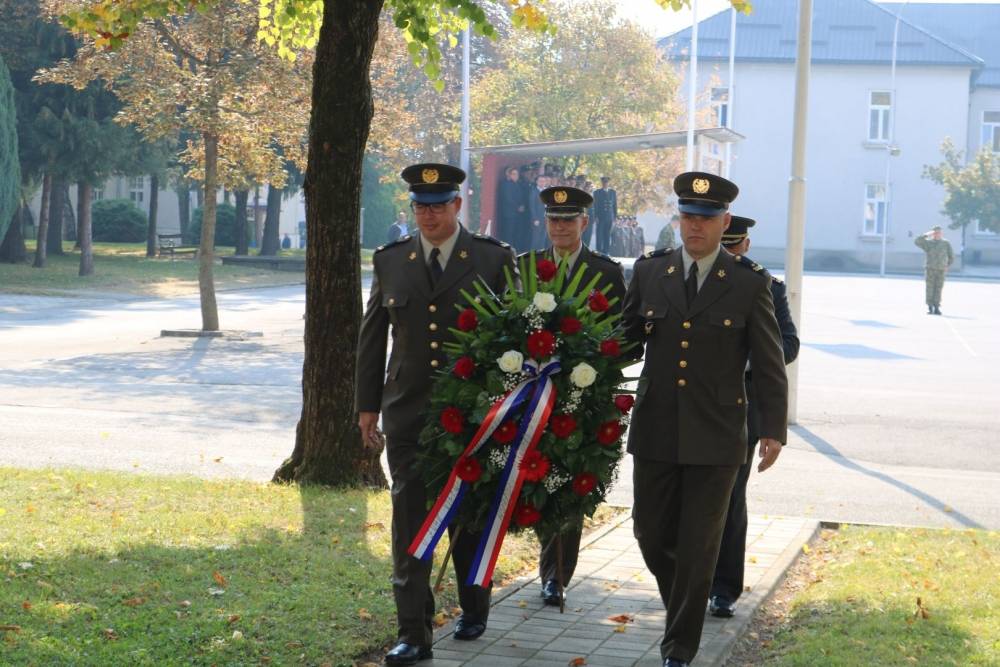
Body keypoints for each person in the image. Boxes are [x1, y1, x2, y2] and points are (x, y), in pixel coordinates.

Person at [622, 171, 788, 667]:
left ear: (725, 221)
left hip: (718, 435)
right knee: (649, 534)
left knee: (698, 545)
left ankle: (679, 647)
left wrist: (773, 430)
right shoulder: (651, 273)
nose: (695, 226)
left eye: (706, 218)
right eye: (688, 217)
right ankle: (684, 608)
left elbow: (769, 359)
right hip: (655, 427)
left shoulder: (748, 282)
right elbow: (626, 339)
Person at [356, 162, 516, 666]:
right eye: (420, 206)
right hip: (407, 414)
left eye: (438, 205)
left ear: (457, 206)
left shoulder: (492, 260)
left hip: (473, 415)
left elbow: (513, 337)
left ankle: (474, 603)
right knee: (410, 521)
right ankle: (414, 633)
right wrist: (366, 408)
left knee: (468, 517)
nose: (427, 214)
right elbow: (372, 338)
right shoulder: (392, 260)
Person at [517, 185, 626, 608]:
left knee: (570, 479)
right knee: (534, 474)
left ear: (585, 222)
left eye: (569, 220)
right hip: (531, 393)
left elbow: (622, 336)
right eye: (554, 220)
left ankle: (555, 576)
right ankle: (541, 563)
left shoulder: (606, 272)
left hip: (583, 393)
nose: (560, 227)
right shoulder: (525, 266)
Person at [708, 215, 800, 619]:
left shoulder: (765, 285)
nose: (727, 254)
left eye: (733, 247)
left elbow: (790, 344)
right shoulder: (695, 281)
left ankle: (723, 587)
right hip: (697, 400)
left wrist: (750, 349)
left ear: (745, 246)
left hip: (742, 404)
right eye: (721, 247)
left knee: (730, 496)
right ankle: (691, 579)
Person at [914, 225, 954, 315]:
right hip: (930, 269)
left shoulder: (946, 243)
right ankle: (930, 307)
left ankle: (937, 307)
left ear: (941, 233)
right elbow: (917, 241)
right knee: (929, 288)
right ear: (932, 234)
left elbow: (951, 256)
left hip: (941, 269)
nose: (937, 234)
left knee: (938, 288)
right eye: (935, 233)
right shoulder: (928, 243)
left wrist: (947, 265)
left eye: (938, 232)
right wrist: (926, 235)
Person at [499, 166, 528, 250]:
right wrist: (517, 207)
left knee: (517, 233)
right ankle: (508, 250)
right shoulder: (505, 184)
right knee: (509, 234)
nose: (516, 176)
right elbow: (508, 198)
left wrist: (522, 205)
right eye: (514, 174)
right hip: (509, 213)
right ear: (509, 175)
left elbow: (522, 196)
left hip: (518, 213)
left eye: (517, 174)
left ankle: (515, 250)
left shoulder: (518, 184)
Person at [592, 176, 617, 254]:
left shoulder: (612, 192)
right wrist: (595, 216)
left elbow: (615, 205)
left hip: (609, 217)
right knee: (599, 234)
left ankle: (606, 251)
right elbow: (595, 205)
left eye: (606, 182)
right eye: (604, 182)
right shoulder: (597, 192)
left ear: (608, 183)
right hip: (600, 217)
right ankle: (599, 250)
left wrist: (615, 217)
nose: (605, 184)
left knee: (607, 234)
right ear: (602, 183)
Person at [528, 175, 549, 250]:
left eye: (543, 181)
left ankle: (540, 256)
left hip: (546, 218)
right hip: (537, 219)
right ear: (537, 182)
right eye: (540, 181)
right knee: (535, 239)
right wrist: (535, 219)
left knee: (543, 238)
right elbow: (532, 206)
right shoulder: (534, 191)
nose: (542, 183)